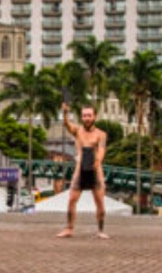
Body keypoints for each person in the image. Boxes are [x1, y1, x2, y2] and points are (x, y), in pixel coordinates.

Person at [57, 102, 109, 239]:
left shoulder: (101, 134)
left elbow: (102, 149)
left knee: (100, 202)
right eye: (84, 115)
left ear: (94, 117)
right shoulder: (77, 131)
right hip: (80, 169)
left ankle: (101, 230)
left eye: (89, 115)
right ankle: (69, 228)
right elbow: (67, 125)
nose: (87, 118)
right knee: (72, 199)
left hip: (95, 170)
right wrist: (65, 113)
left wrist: (98, 161)